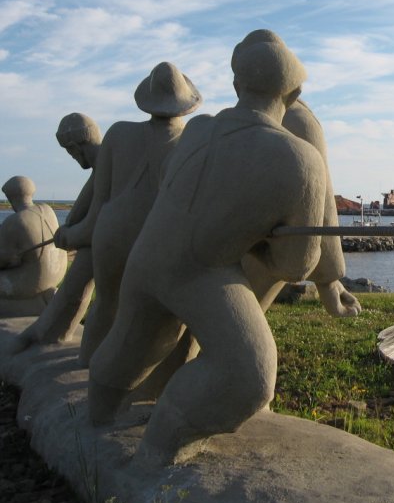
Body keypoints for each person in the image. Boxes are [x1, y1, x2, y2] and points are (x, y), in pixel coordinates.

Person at [88, 29, 355, 466]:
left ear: (236, 86)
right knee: (248, 374)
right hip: (201, 272)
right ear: (295, 92)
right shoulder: (300, 158)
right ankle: (160, 446)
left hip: (147, 256)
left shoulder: (197, 128)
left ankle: (96, 417)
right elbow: (295, 263)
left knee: (131, 344)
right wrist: (259, 241)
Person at [55, 62, 202, 366]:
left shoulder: (119, 134)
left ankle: (88, 366)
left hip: (111, 233)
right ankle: (145, 374)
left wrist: (71, 234)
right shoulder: (192, 142)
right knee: (163, 311)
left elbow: (99, 206)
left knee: (107, 305)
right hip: (155, 236)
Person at [242, 97, 362, 317]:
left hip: (202, 256)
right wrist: (329, 281)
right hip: (255, 253)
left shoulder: (211, 128)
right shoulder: (297, 120)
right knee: (247, 341)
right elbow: (320, 203)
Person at [15, 114, 102, 347]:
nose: (72, 157)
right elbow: (81, 209)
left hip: (116, 245)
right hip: (106, 243)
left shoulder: (107, 164)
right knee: (78, 281)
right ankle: (50, 333)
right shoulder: (101, 166)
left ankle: (49, 335)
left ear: (75, 147)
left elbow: (96, 220)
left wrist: (72, 235)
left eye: (70, 152)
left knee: (84, 278)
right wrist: (69, 228)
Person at [0, 176, 68, 318]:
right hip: (56, 273)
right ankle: (43, 300)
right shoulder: (47, 209)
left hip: (32, 280)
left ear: (11, 197)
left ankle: (32, 305)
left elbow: (3, 259)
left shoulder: (15, 221)